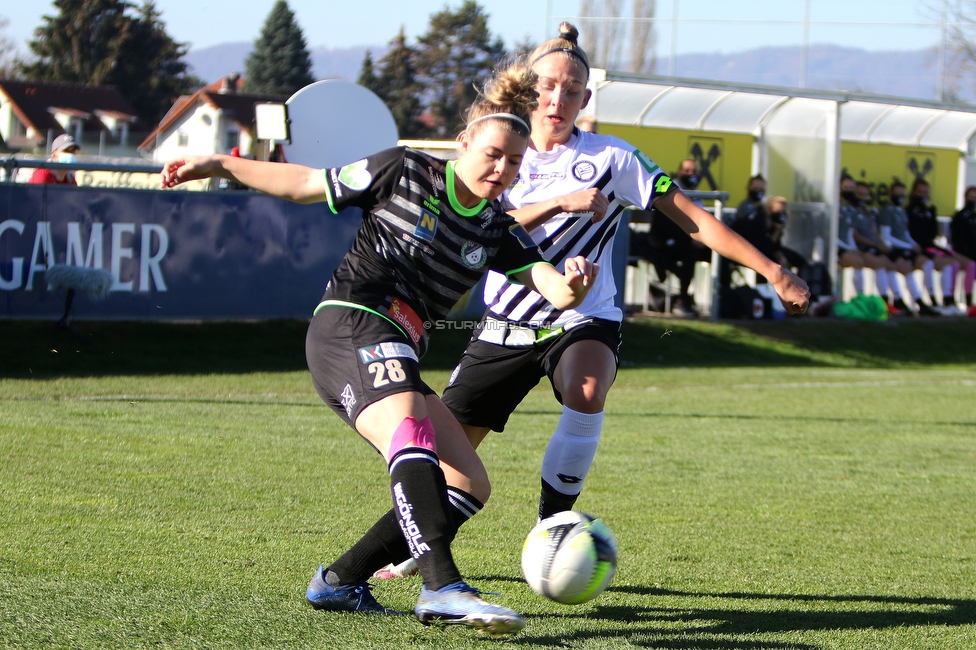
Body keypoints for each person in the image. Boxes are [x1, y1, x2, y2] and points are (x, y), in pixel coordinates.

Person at [161, 60, 599, 637]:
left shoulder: (495, 226)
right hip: (351, 324)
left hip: (398, 346)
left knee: (469, 483)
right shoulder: (404, 170)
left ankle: (341, 580)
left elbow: (549, 283)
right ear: (462, 141)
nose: (502, 169)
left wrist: (573, 285)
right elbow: (301, 184)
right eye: (492, 153)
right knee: (410, 427)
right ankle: (442, 587)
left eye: (515, 162)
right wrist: (219, 163)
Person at [629, 158, 713, 317]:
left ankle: (724, 302)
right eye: (687, 171)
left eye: (694, 171)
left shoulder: (696, 194)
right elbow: (668, 224)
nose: (691, 174)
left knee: (711, 253)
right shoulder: (670, 188)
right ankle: (683, 300)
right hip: (663, 240)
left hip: (686, 240)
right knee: (690, 253)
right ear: (679, 172)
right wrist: (692, 239)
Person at [852, 180, 937, 316]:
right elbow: (856, 234)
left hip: (881, 248)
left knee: (902, 266)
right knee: (884, 264)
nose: (862, 197)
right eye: (859, 193)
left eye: (865, 194)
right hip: (866, 249)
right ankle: (879, 301)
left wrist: (912, 245)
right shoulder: (884, 211)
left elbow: (878, 233)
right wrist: (878, 245)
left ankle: (914, 301)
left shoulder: (870, 212)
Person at [878, 179, 942, 315]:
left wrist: (913, 244)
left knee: (926, 262)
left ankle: (924, 300)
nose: (900, 197)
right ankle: (899, 300)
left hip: (905, 248)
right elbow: (886, 237)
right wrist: (908, 245)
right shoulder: (886, 211)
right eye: (897, 194)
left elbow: (905, 234)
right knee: (897, 268)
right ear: (891, 194)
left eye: (902, 194)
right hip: (893, 249)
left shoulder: (901, 212)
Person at [836, 175, 898, 309]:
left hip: (848, 247)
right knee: (858, 261)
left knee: (880, 263)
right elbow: (833, 234)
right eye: (846, 188)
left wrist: (852, 247)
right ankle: (859, 298)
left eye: (851, 188)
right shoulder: (836, 207)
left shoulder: (851, 210)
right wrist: (849, 248)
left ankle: (886, 300)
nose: (849, 191)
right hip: (835, 248)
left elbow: (849, 233)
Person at [949, 185, 976, 307]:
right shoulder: (960, 216)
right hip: (961, 253)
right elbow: (957, 240)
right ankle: (968, 301)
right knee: (971, 265)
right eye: (971, 197)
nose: (973, 201)